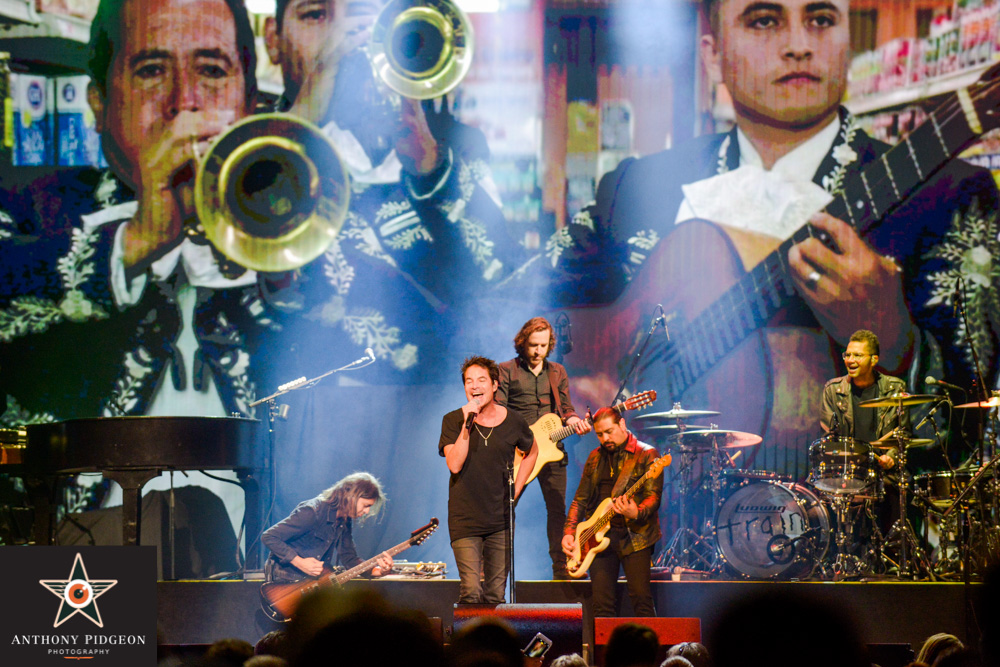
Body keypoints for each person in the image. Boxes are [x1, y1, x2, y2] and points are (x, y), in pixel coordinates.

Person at [540, 0, 1000, 464]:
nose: (799, 45)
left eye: (821, 20)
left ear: (847, 40)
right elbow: (514, 307)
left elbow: (975, 440)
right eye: (764, 20)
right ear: (713, 54)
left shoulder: (952, 198)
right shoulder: (635, 187)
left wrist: (896, 342)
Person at [262, 0, 522, 379]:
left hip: (439, 397)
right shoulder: (255, 151)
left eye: (368, 15)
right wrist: (302, 119)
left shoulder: (455, 144)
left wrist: (432, 168)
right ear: (273, 40)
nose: (343, 39)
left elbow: (499, 278)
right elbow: (255, 289)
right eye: (317, 15)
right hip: (316, 398)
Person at [496, 316, 591, 579]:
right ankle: (493, 567)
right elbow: (499, 410)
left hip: (552, 450)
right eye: (533, 345)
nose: (538, 351)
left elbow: (566, 409)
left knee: (558, 510)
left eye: (544, 345)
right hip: (519, 450)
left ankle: (561, 567)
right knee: (505, 507)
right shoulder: (506, 370)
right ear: (522, 342)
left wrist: (575, 421)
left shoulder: (557, 371)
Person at [438, 356, 538, 604]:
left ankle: (494, 632)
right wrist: (466, 425)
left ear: (494, 385)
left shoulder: (514, 421)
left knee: (495, 595)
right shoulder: (453, 420)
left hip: (500, 520)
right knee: (471, 591)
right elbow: (454, 464)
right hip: (465, 520)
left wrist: (517, 489)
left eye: (481, 380)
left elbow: (532, 451)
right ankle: (468, 632)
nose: (474, 386)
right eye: (469, 381)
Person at [562, 407, 663, 617]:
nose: (605, 438)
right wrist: (569, 532)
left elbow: (653, 497)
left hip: (635, 536)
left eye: (609, 432)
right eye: (600, 434)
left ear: (622, 425)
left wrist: (636, 512)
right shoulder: (595, 457)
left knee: (641, 601)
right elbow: (580, 499)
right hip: (597, 536)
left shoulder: (646, 454)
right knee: (601, 606)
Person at [261, 472, 392, 583]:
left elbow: (349, 559)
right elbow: (269, 536)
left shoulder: (344, 520)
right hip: (284, 583)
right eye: (366, 505)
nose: (367, 511)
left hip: (309, 585)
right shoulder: (313, 512)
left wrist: (378, 571)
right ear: (352, 497)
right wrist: (299, 562)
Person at [820, 329, 912, 469]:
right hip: (848, 470)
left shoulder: (895, 388)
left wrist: (892, 457)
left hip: (883, 471)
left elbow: (903, 434)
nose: (850, 360)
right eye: (848, 355)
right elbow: (829, 438)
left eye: (858, 355)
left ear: (874, 360)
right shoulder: (833, 390)